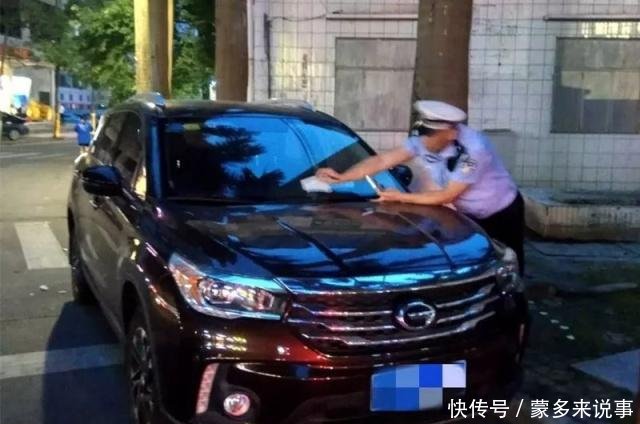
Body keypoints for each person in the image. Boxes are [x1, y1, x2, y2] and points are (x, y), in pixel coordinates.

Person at [316, 100, 525, 274]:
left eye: (431, 139)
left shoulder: (475, 149)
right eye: (425, 135)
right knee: (470, 263)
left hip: (502, 211)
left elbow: (446, 195)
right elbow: (382, 161)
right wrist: (343, 177)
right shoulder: (424, 140)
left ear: (451, 133)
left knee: (508, 265)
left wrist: (398, 197)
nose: (424, 144)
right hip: (468, 213)